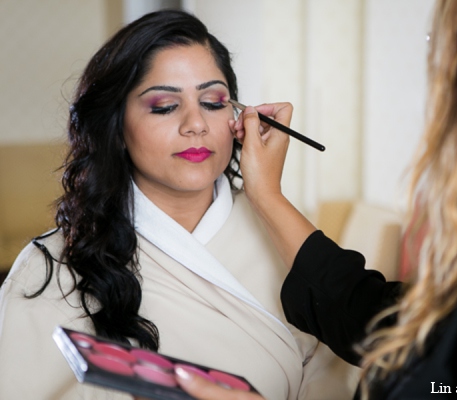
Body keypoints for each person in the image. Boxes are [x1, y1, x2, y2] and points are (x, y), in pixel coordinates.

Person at [180, 0, 457, 399]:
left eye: (443, 49)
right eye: (164, 105)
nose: (194, 123)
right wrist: (268, 195)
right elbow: (377, 316)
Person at [0, 10, 359, 400]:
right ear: (117, 128)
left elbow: (335, 378)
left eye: (213, 101)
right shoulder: (50, 269)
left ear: (238, 118)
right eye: (165, 106)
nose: (196, 124)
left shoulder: (285, 241)